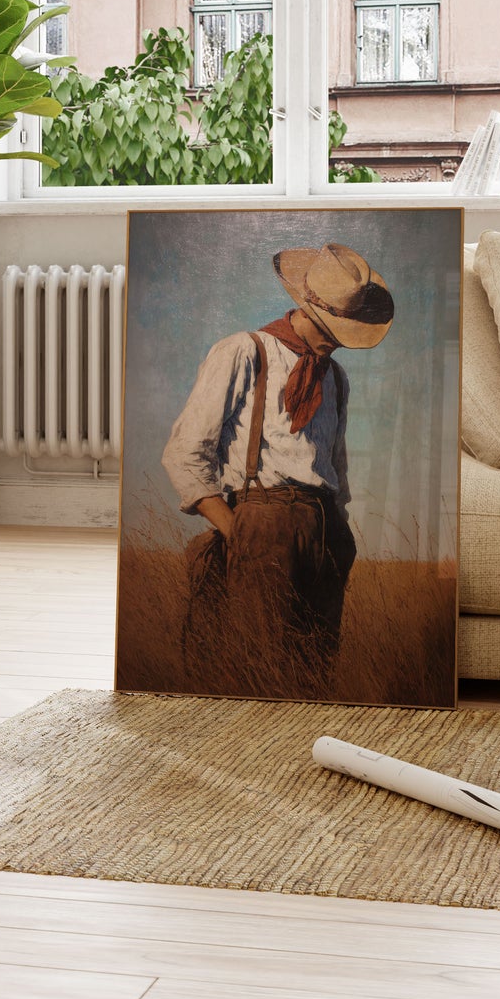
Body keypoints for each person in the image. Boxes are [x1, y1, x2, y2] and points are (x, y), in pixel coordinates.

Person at [161, 242, 394, 698]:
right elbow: (185, 452)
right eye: (333, 329)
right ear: (305, 309)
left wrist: (338, 533)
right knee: (259, 666)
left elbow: (336, 467)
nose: (338, 341)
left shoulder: (336, 377)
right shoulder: (242, 352)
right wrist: (239, 532)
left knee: (317, 667)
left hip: (325, 528)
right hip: (262, 520)